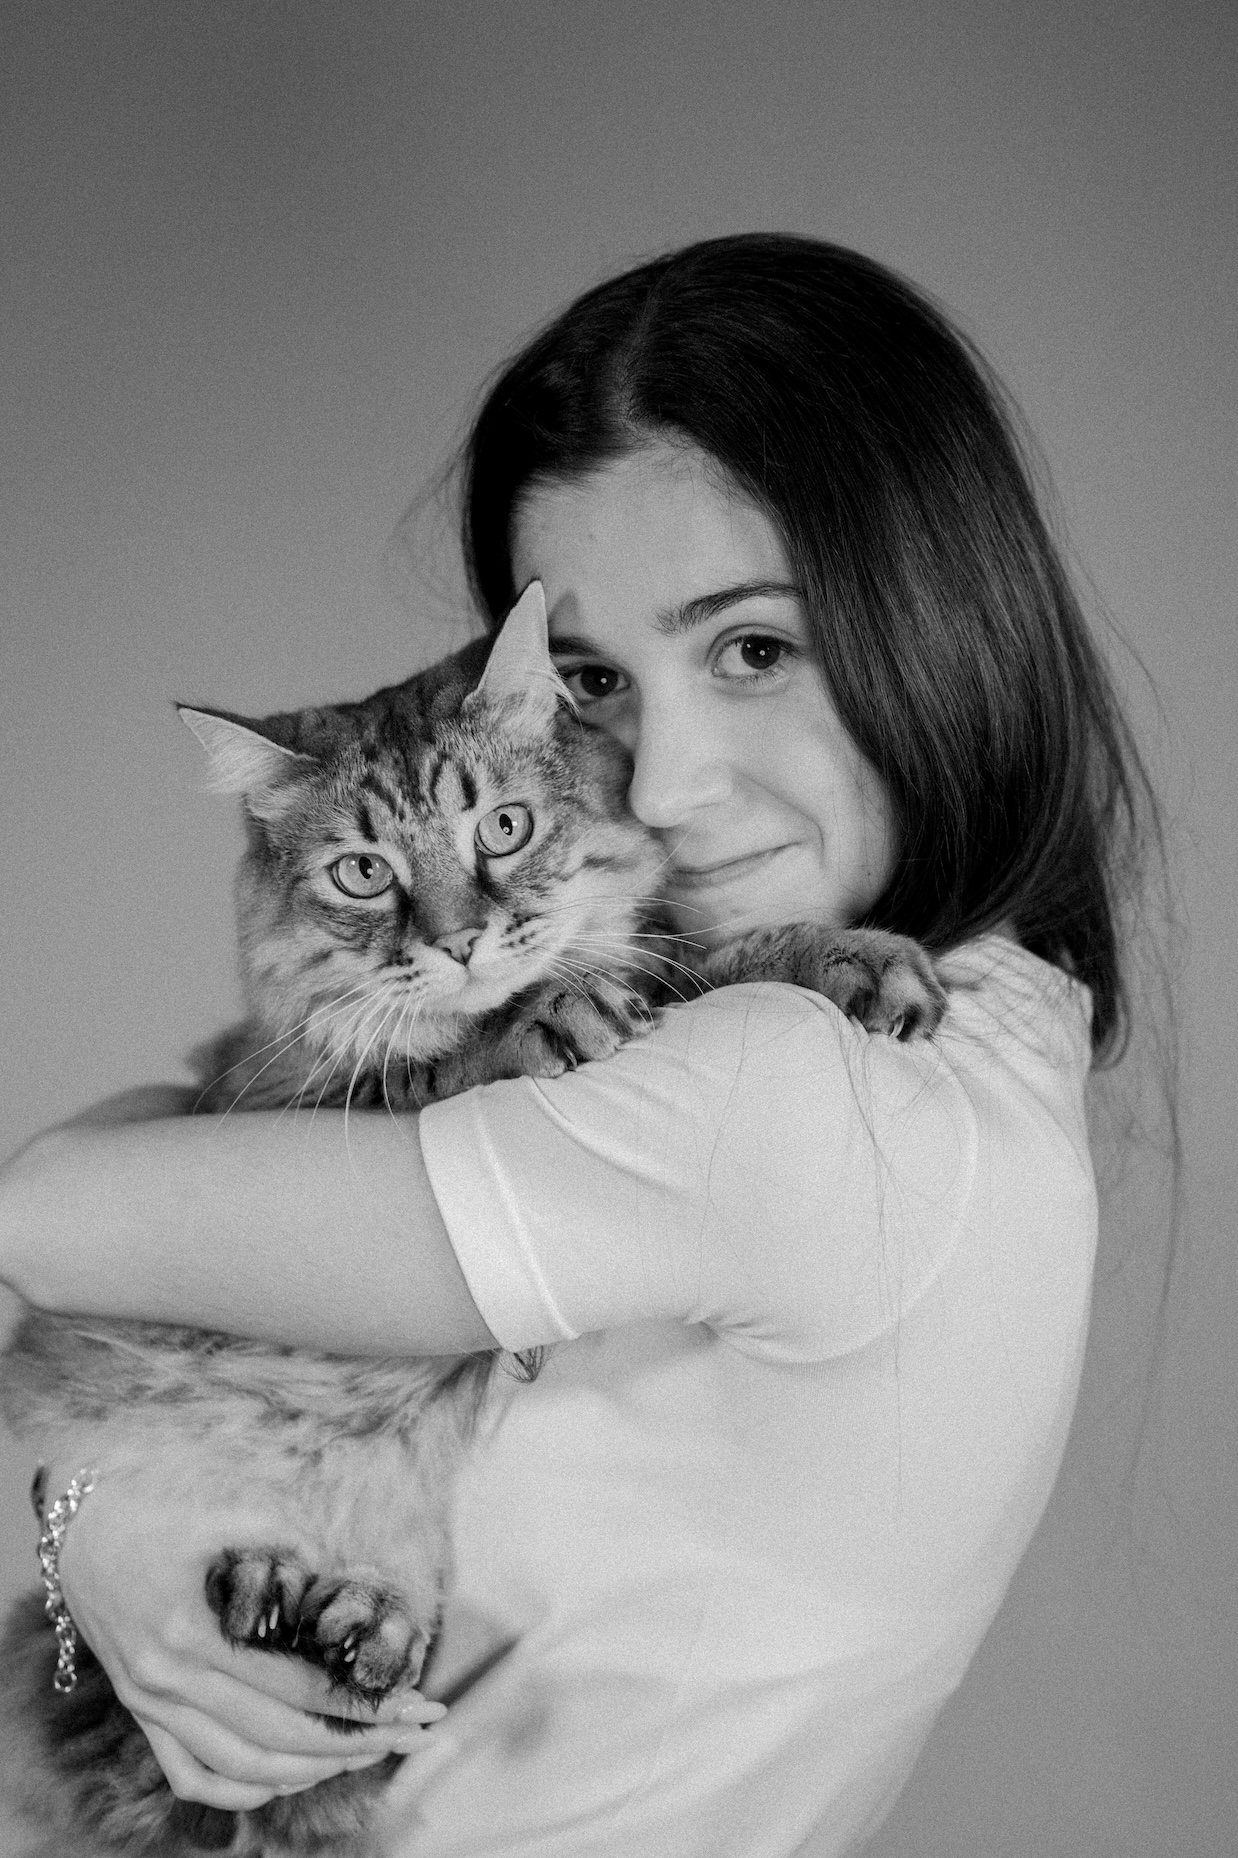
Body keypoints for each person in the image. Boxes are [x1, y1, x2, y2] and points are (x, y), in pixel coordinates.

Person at [0, 234, 1162, 1857]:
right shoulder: (957, 1033)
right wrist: (94, 1535)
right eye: (598, 678)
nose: (663, 780)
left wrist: (94, 1514)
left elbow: (45, 1207)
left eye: (753, 647)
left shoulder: (809, 1092)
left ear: (939, 616)